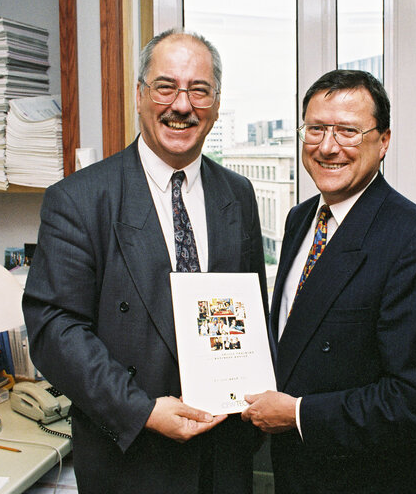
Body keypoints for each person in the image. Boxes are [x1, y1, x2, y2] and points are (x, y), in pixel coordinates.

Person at [23, 28, 268, 493]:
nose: (182, 105)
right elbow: (55, 328)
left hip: (225, 459)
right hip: (131, 459)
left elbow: (251, 310)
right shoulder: (79, 199)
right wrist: (141, 410)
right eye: (165, 86)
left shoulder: (238, 194)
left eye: (199, 90)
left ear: (216, 105)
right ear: (139, 96)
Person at [241, 69, 416, 493]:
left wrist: (299, 414)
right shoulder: (301, 218)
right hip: (293, 473)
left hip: (363, 480)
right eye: (316, 129)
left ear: (383, 142)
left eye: (347, 131)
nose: (328, 147)